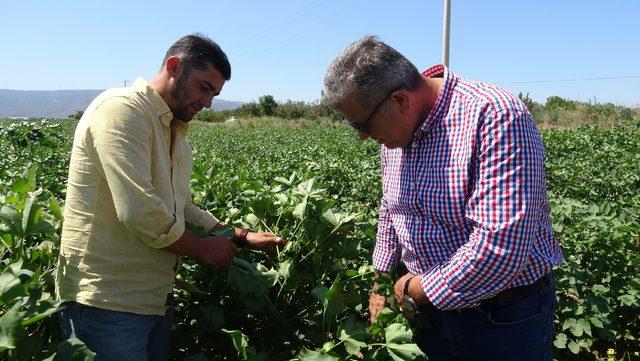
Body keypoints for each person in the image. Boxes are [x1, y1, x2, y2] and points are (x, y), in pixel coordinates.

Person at [322, 35, 563, 361]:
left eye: (362, 124)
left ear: (399, 100)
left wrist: (414, 291)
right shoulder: (394, 131)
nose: (363, 136)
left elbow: (500, 248)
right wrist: (381, 280)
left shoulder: (494, 115)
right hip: (428, 313)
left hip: (501, 320)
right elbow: (391, 206)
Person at [55, 33, 285, 361]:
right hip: (105, 302)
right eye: (205, 88)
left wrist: (240, 236)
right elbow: (140, 211)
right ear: (174, 67)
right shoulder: (122, 111)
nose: (208, 103)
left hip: (154, 299)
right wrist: (203, 248)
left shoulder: (174, 129)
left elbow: (181, 206)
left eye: (215, 94)